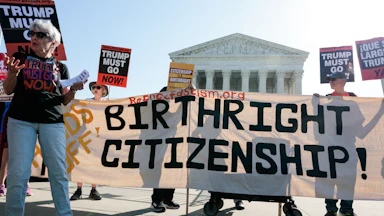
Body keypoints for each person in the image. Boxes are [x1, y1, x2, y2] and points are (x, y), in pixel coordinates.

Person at [2, 19, 86, 216]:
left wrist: (73, 90)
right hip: (21, 120)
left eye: (40, 35)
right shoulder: (20, 58)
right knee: (18, 174)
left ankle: (64, 213)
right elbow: (8, 89)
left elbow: (64, 100)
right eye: (32, 34)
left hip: (52, 122)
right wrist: (12, 74)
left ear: (54, 42)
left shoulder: (61, 68)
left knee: (58, 173)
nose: (34, 38)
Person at [314, 72, 357, 216]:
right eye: (329, 80)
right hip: (330, 146)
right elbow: (319, 124)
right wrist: (316, 106)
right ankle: (330, 209)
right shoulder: (327, 99)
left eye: (333, 79)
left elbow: (359, 122)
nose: (331, 82)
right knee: (329, 179)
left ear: (343, 81)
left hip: (347, 145)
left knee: (348, 179)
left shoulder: (354, 98)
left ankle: (346, 209)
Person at [70, 81, 108, 201]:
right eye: (93, 87)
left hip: (98, 137)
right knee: (81, 162)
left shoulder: (107, 104)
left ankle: (93, 189)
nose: (95, 89)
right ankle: (79, 189)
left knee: (95, 164)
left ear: (104, 90)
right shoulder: (87, 101)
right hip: (84, 136)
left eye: (98, 87)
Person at [149, 86, 181, 213]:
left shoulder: (174, 110)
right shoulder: (156, 109)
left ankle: (168, 199)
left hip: (173, 145)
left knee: (172, 173)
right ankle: (156, 200)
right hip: (159, 146)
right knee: (160, 174)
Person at [0, 102, 33, 197]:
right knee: (5, 157)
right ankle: (1, 185)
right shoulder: (6, 91)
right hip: (6, 124)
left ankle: (26, 184)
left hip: (24, 125)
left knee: (24, 156)